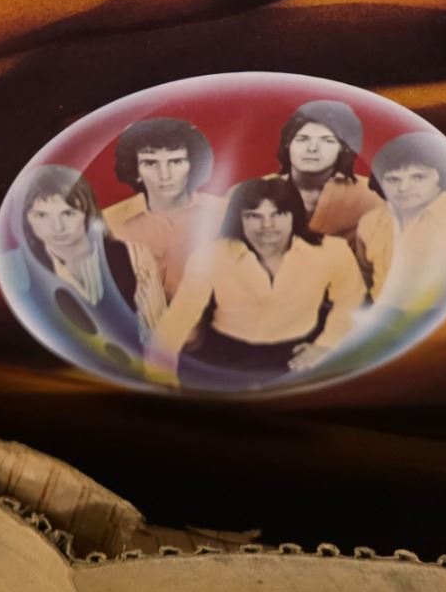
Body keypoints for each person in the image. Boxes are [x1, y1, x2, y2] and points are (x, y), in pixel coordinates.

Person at [145, 176, 366, 390]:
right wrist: (159, 375)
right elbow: (180, 315)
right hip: (226, 352)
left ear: (294, 215)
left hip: (298, 350)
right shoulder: (211, 255)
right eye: (254, 216)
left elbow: (351, 298)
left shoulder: (332, 250)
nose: (267, 225)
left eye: (278, 214)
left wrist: (327, 345)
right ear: (238, 219)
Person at [0, 164, 166, 355]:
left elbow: (157, 338)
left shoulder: (133, 255)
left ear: (88, 213)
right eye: (41, 215)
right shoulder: (15, 268)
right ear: (26, 219)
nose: (57, 227)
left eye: (68, 213)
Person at [356, 131, 446, 314]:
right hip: (381, 316)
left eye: (418, 177)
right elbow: (366, 276)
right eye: (393, 179)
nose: (403, 188)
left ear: (442, 176)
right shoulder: (370, 222)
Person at [103, 117, 226, 300]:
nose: (165, 175)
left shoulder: (225, 212)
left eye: (175, 162)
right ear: (136, 170)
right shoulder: (109, 223)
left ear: (193, 165)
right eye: (151, 163)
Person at [274, 98, 380, 251]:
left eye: (327, 140)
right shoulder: (252, 192)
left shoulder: (372, 196)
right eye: (302, 139)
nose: (312, 148)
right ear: (288, 144)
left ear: (344, 148)